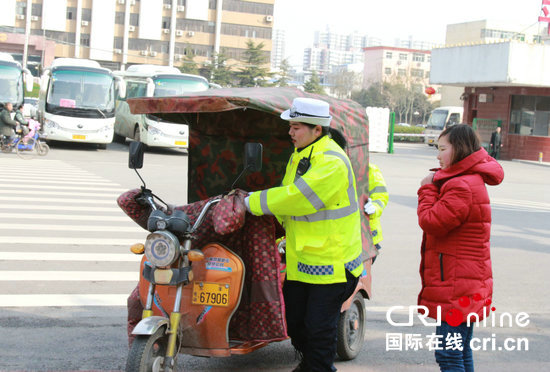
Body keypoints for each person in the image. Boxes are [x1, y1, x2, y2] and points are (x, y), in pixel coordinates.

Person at [245, 97, 362, 372]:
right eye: (291, 126)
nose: (290, 132)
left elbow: (298, 199)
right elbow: (288, 207)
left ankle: (317, 367)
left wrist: (250, 202)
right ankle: (312, 365)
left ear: (317, 130)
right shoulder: (301, 154)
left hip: (333, 265)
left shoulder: (331, 161)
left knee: (320, 331)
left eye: (296, 127)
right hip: (304, 261)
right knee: (295, 323)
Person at [417, 124, 504, 372]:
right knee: (460, 350)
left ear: (460, 149)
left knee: (448, 355)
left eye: (442, 148)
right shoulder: (468, 179)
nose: (438, 155)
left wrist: (427, 188)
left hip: (456, 284)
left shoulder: (461, 185)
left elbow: (431, 221)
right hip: (465, 281)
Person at [364, 163, 388, 263]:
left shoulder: (370, 169)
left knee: (364, 276)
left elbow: (381, 196)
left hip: (368, 238)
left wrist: (375, 207)